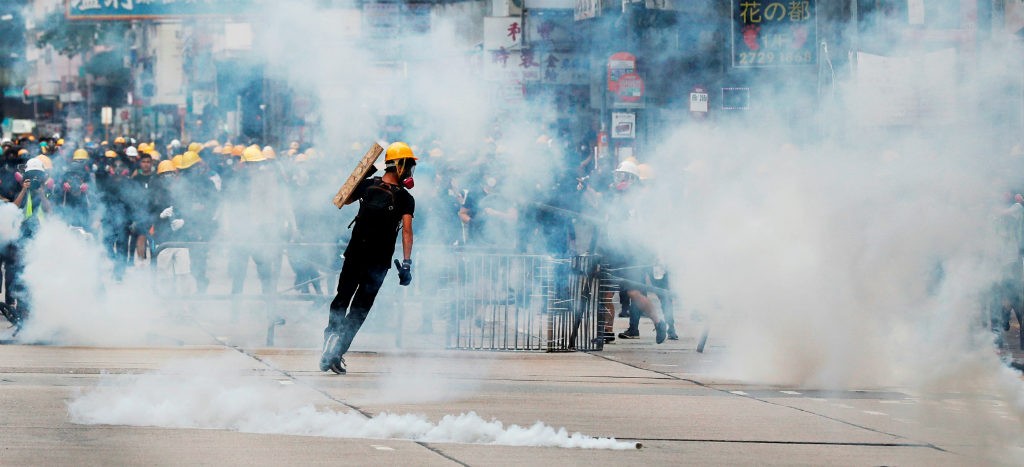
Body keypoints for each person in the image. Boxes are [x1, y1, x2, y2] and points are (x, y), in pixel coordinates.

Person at [320, 142, 417, 374]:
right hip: (379, 262)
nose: (411, 172)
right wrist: (406, 263)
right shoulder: (405, 198)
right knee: (359, 309)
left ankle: (330, 338)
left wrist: (367, 173)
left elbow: (343, 198)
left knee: (342, 298)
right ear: (401, 165)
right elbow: (406, 231)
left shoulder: (366, 186)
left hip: (354, 254)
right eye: (410, 165)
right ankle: (337, 351)